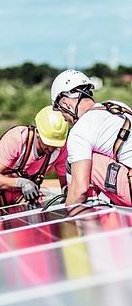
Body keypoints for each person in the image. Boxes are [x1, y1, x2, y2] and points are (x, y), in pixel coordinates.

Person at [50, 69, 132, 210]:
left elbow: (80, 189)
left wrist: (67, 215)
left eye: (61, 111)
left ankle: (89, 220)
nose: (65, 119)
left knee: (76, 164)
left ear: (65, 102)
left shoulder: (79, 131)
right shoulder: (117, 106)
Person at [0, 106, 68, 211]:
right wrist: (22, 183)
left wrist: (68, 192)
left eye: (55, 145)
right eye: (47, 143)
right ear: (38, 132)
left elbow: (65, 184)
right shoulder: (17, 139)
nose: (51, 149)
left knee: (38, 217)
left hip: (24, 192)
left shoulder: (61, 150)